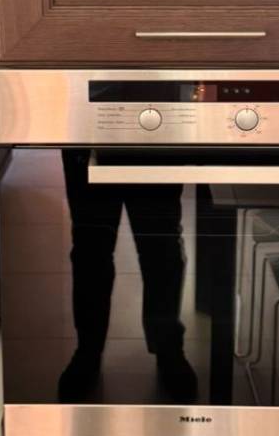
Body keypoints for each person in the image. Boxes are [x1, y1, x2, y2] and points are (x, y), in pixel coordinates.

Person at [57, 149, 197, 403]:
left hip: (154, 140)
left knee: (161, 248)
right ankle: (89, 351)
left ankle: (167, 347)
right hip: (88, 138)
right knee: (91, 249)